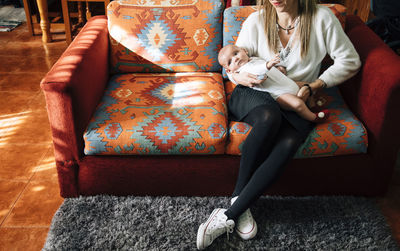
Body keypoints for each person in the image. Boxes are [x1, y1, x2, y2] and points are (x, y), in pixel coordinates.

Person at [196, 0, 361, 250]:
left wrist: (314, 85)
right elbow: (232, 63)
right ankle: (240, 202)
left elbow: (350, 60)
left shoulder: (321, 18)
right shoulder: (255, 20)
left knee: (289, 143)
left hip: (295, 95)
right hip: (255, 94)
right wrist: (239, 75)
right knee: (269, 116)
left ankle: (230, 213)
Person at [218, 44, 330, 122]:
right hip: (280, 94)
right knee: (297, 104)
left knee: (307, 85)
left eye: (236, 53)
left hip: (288, 83)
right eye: (230, 62)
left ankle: (312, 105)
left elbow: (267, 69)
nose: (235, 59)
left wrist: (277, 68)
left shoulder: (254, 59)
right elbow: (258, 70)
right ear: (229, 71)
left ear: (244, 51)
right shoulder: (244, 71)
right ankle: (313, 117)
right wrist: (268, 64)